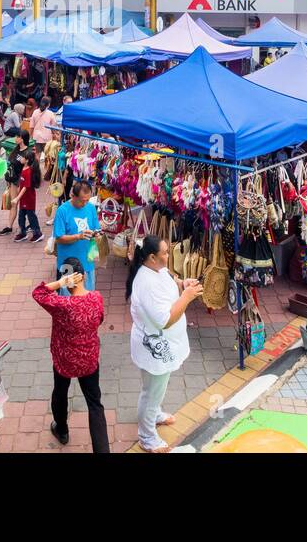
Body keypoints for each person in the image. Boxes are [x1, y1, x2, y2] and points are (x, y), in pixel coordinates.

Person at [127, 234, 202, 453]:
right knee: (151, 392)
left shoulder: (156, 270)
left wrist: (182, 284)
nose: (169, 255)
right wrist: (187, 297)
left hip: (161, 345)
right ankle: (147, 436)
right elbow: (166, 320)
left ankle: (154, 413)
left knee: (155, 389)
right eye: (165, 252)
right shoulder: (146, 283)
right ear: (152, 257)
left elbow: (170, 282)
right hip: (156, 348)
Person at [32, 258, 109, 453]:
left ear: (67, 280)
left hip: (64, 358)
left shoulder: (62, 305)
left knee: (60, 391)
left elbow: (38, 293)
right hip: (89, 358)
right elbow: (99, 320)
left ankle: (62, 430)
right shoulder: (96, 298)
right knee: (95, 403)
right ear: (83, 276)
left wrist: (60, 283)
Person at [52, 182, 99, 291]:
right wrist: (78, 236)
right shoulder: (62, 211)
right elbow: (59, 238)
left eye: (88, 199)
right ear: (73, 196)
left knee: (87, 299)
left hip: (87, 263)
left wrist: (97, 234)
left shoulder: (91, 208)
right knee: (68, 301)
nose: (85, 203)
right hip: (68, 266)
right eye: (83, 200)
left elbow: (96, 228)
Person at [12, 148, 43, 243]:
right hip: (23, 199)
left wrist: (17, 198)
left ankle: (38, 234)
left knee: (31, 217)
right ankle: (23, 233)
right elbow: (22, 184)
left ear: (27, 160)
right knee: (21, 216)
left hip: (29, 199)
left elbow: (26, 187)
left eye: (22, 157)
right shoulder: (24, 169)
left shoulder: (28, 171)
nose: (20, 158)